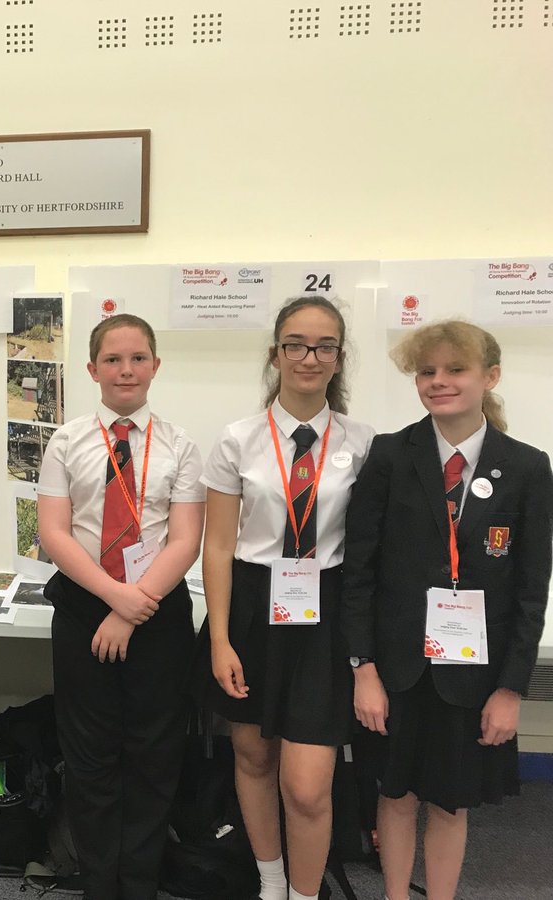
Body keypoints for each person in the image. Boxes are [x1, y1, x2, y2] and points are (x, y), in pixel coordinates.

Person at [341, 320, 552, 900]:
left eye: (455, 369)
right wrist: (363, 668)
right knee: (395, 795)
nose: (439, 382)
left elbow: (532, 590)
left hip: (474, 674)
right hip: (395, 670)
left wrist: (512, 689)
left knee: (451, 802)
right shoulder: (389, 455)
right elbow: (359, 573)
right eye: (426, 371)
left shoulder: (529, 468)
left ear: (491, 376)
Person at [198, 296, 375, 900]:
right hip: (251, 604)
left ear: (339, 359)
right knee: (252, 757)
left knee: (306, 784)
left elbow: (371, 551)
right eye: (295, 344)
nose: (309, 357)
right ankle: (271, 883)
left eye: (324, 346)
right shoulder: (238, 440)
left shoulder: (365, 443)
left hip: (325, 611)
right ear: (275, 353)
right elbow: (218, 547)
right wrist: (219, 640)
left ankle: (304, 894)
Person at [37, 313, 205, 900]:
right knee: (90, 756)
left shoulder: (181, 445)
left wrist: (135, 607)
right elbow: (54, 534)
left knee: (154, 755)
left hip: (158, 613)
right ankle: (99, 884)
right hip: (87, 608)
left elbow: (185, 539)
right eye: (112, 359)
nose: (126, 370)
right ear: (92, 370)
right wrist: (114, 600)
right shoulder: (66, 440)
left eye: (138, 358)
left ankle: (140, 883)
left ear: (155, 366)